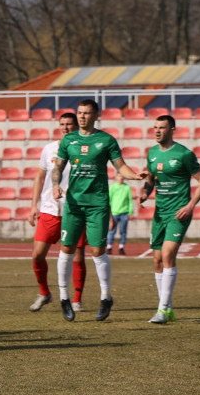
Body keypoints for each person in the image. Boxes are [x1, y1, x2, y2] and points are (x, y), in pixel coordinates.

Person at [52, 99, 143, 322]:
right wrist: (56, 184)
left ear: (96, 115)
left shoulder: (106, 140)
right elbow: (58, 167)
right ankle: (64, 297)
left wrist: (135, 176)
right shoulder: (68, 140)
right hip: (74, 203)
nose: (82, 117)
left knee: (97, 251)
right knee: (66, 248)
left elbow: (120, 166)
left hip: (97, 204)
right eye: (79, 112)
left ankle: (105, 297)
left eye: (86, 113)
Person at [140, 114, 200, 324]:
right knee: (157, 259)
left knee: (168, 255)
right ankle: (167, 307)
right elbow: (152, 179)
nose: (157, 131)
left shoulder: (184, 154)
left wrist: (189, 206)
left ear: (172, 130)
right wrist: (145, 191)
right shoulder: (151, 153)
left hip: (178, 213)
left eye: (162, 127)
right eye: (155, 127)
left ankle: (162, 310)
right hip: (159, 213)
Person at [27, 112, 87, 313]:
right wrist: (34, 205)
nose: (65, 127)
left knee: (77, 255)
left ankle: (77, 300)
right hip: (49, 210)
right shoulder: (50, 149)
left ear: (76, 126)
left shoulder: (83, 149)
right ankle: (44, 293)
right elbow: (40, 177)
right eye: (62, 124)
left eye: (69, 124)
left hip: (75, 209)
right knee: (37, 255)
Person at [107, 177, 133, 255]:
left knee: (123, 231)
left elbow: (130, 200)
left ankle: (121, 247)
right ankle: (109, 247)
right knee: (112, 230)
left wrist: (130, 211)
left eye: (122, 176)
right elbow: (109, 200)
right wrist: (109, 211)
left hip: (124, 212)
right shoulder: (112, 187)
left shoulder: (127, 187)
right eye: (119, 176)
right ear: (116, 177)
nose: (120, 178)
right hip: (114, 212)